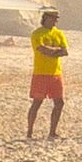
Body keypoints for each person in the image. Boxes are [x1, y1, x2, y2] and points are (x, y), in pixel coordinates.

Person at [24, 8, 70, 139]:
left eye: (56, 19)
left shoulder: (59, 33)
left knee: (59, 103)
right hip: (41, 73)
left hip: (56, 73)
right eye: (52, 18)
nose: (55, 21)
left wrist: (52, 51)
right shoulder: (37, 33)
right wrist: (56, 50)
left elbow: (65, 51)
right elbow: (41, 49)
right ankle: (30, 131)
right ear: (45, 18)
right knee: (37, 102)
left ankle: (52, 132)